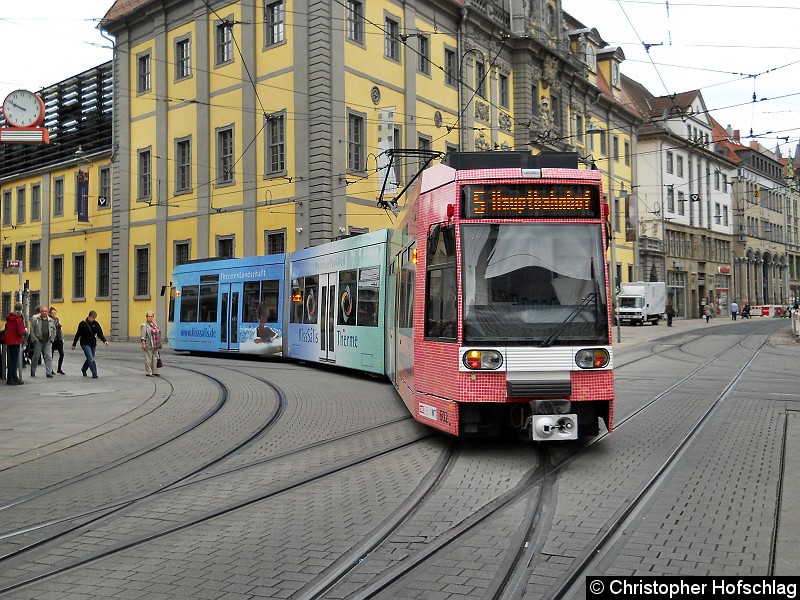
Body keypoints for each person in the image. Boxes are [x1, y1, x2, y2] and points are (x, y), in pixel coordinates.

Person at [71, 310, 109, 378]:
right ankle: (94, 373)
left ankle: (83, 369)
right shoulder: (82, 324)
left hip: (93, 343)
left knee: (90, 357)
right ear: (89, 316)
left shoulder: (96, 324)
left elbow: (100, 334)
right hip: (84, 343)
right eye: (92, 318)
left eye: (94, 318)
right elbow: (78, 334)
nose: (93, 319)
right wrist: (74, 344)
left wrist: (104, 341)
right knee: (91, 358)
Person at [29, 305, 57, 378]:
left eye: (45, 311)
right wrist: (35, 339)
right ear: (40, 312)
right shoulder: (35, 319)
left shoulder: (51, 320)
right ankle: (33, 371)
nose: (44, 312)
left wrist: (52, 339)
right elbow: (32, 330)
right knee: (36, 357)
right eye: (43, 311)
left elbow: (54, 330)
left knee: (48, 357)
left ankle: (48, 372)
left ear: (47, 312)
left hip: (47, 341)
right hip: (38, 341)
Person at [4, 302, 27, 385]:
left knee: (12, 360)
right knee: (14, 361)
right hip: (15, 340)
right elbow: (20, 331)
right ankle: (10, 378)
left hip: (9, 340)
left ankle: (14, 377)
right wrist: (25, 331)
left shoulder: (10, 317)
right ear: (21, 309)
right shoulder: (18, 318)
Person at [140, 311, 162, 377]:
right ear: (146, 317)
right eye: (148, 316)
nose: (150, 317)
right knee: (149, 359)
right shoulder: (144, 326)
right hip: (149, 344)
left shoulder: (155, 324)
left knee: (155, 358)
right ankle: (149, 372)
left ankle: (154, 372)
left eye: (151, 316)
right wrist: (143, 344)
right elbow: (143, 336)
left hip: (156, 344)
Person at [49, 307, 66, 374]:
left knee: (61, 354)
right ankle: (50, 369)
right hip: (52, 340)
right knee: (51, 356)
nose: (54, 314)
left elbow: (59, 330)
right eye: (52, 313)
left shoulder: (57, 319)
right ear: (50, 313)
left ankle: (59, 368)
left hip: (59, 339)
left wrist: (62, 338)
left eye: (55, 313)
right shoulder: (49, 320)